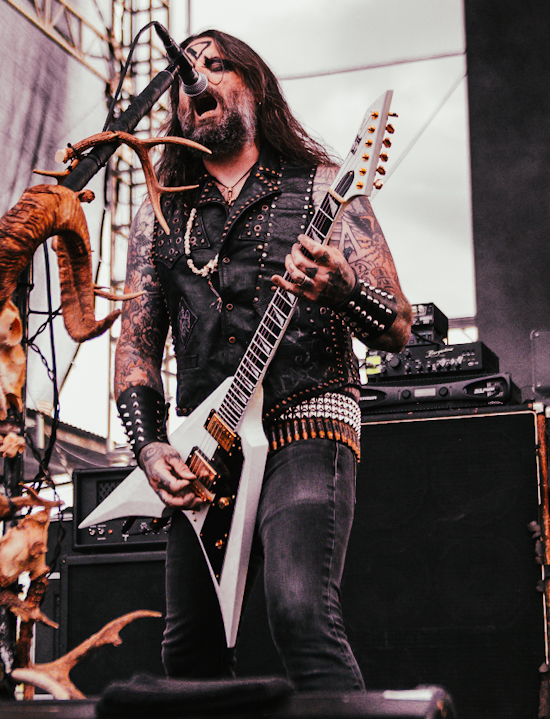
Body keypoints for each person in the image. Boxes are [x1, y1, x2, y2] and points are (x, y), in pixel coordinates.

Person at [114, 29, 412, 691]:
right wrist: (150, 448)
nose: (196, 79)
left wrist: (343, 288)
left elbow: (397, 326)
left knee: (301, 611)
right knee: (188, 648)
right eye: (184, 74)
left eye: (215, 65)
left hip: (308, 415)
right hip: (207, 440)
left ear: (255, 87)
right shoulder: (159, 214)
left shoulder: (326, 186)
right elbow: (135, 347)